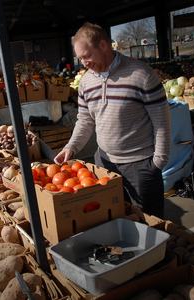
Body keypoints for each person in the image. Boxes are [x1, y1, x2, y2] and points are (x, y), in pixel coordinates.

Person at [54, 23, 171, 217]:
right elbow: (85, 120)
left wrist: (159, 160)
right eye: (80, 58)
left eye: (86, 56)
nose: (83, 63)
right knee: (114, 215)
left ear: (103, 45)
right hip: (105, 163)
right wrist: (71, 147)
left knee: (150, 221)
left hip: (140, 165)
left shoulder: (141, 74)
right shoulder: (86, 82)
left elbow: (162, 119)